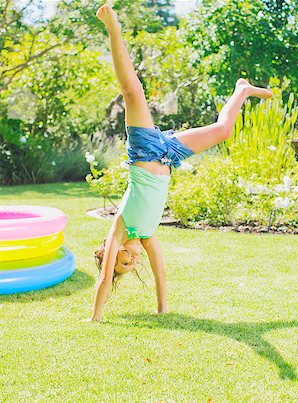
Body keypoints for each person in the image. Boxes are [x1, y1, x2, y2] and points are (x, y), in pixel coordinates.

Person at [85, 4, 273, 322]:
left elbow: (104, 280)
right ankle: (242, 90)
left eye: (123, 261)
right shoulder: (147, 235)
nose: (131, 259)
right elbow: (160, 274)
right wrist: (162, 311)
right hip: (169, 155)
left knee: (132, 92)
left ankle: (113, 28)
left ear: (110, 250)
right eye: (131, 265)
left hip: (144, 152)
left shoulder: (118, 229)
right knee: (223, 130)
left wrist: (95, 318)